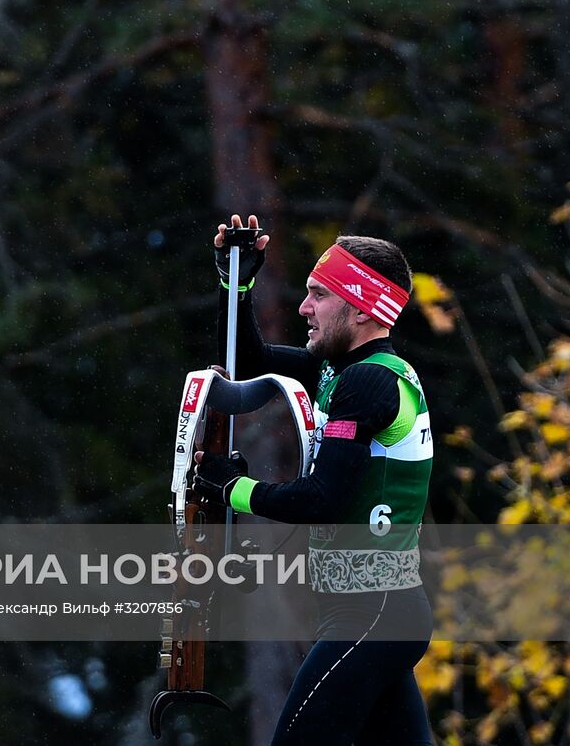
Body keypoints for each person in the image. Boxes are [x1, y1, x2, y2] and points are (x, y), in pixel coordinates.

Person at [193, 213, 433, 746]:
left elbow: (322, 499)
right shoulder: (339, 371)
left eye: (319, 295)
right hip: (374, 613)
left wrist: (231, 489)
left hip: (373, 614)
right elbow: (247, 359)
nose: (304, 308)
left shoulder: (368, 382)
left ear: (363, 305)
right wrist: (237, 280)